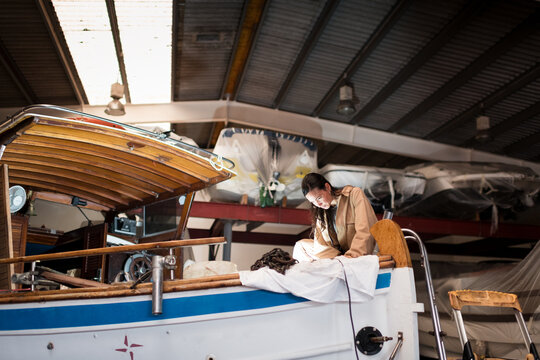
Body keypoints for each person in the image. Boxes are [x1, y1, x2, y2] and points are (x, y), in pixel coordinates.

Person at [293, 173, 378, 261]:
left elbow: (365, 230)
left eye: (319, 198)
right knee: (300, 246)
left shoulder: (354, 194)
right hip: (338, 257)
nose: (318, 204)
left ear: (327, 187)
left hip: (357, 255)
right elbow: (321, 245)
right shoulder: (321, 212)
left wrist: (351, 257)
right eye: (313, 202)